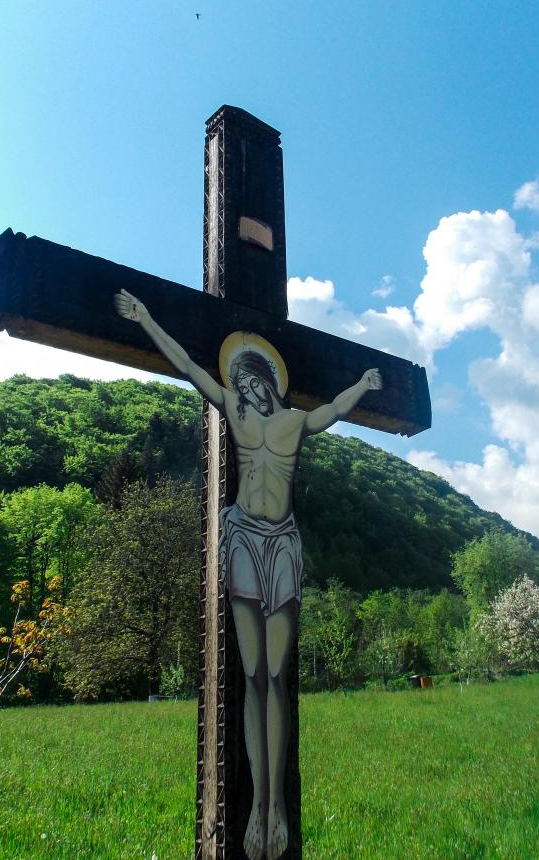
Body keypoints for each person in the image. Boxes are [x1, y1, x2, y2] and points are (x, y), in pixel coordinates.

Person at [115, 289, 381, 860]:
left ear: (267, 381)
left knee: (277, 674)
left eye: (249, 379)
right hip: (241, 536)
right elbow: (188, 367)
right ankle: (254, 807)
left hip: (281, 543)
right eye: (237, 379)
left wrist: (362, 385)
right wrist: (146, 320)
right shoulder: (233, 413)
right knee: (253, 671)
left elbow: (335, 411)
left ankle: (272, 803)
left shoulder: (294, 422)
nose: (244, 387)